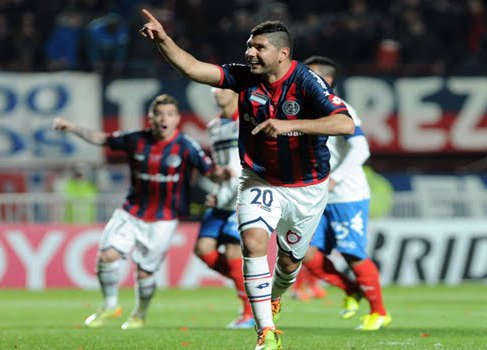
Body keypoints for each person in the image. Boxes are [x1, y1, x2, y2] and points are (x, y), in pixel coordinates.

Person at [140, 12, 355, 350]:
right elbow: (193, 68)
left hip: (307, 187)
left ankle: (276, 295)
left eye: (259, 47)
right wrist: (164, 40)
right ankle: (266, 333)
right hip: (259, 179)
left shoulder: (307, 82)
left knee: (288, 263)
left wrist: (291, 125)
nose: (250, 54)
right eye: (248, 47)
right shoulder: (244, 78)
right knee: (253, 242)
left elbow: (344, 125)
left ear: (282, 54)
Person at [52, 94, 214, 330]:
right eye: (158, 114)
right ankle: (109, 306)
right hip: (131, 211)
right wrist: (72, 127)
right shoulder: (135, 139)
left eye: (169, 114)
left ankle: (140, 313)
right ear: (150, 118)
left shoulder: (187, 146)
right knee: (106, 256)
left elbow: (211, 171)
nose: (163, 119)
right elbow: (102, 139)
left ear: (177, 118)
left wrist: (223, 184)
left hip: (164, 219)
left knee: (145, 273)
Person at [302, 56, 391, 330]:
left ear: (326, 81)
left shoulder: (340, 109)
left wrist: (335, 179)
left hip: (346, 196)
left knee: (352, 253)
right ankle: (351, 289)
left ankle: (379, 311)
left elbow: (361, 149)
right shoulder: (303, 110)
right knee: (304, 254)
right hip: (317, 196)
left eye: (311, 76)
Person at [195, 87, 254, 329]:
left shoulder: (249, 119)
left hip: (242, 194)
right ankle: (254, 286)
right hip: (221, 196)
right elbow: (218, 165)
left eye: (222, 88)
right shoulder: (213, 126)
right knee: (203, 249)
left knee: (233, 256)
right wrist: (216, 178)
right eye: (214, 89)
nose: (216, 92)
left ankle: (249, 313)